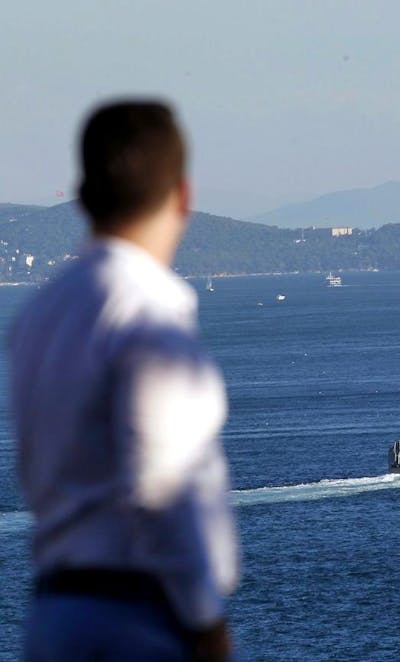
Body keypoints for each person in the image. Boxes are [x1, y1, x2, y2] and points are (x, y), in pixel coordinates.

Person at [9, 101, 239, 660]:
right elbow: (162, 484)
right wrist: (206, 622)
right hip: (139, 617)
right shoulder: (149, 318)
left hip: (53, 614)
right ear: (183, 196)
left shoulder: (39, 315)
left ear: (83, 196)